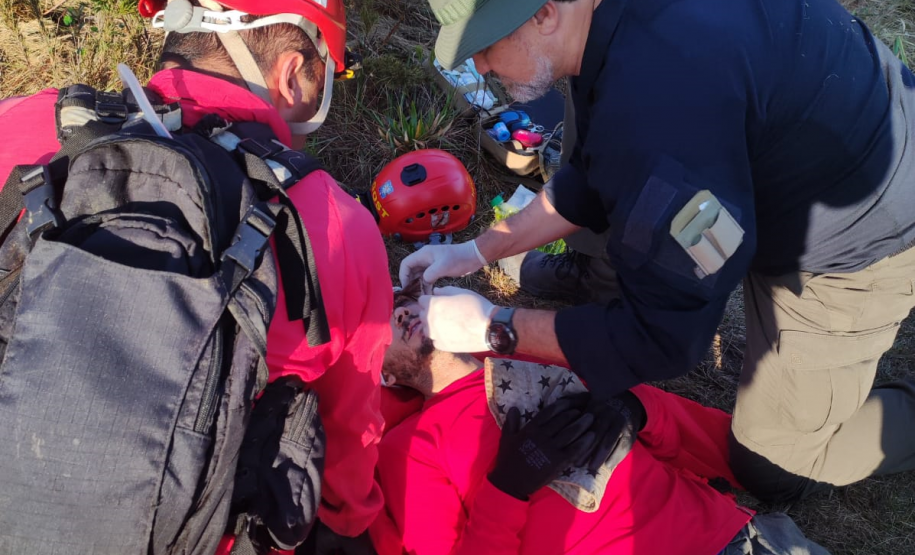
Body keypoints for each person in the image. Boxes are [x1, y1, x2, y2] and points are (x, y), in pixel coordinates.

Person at [401, 0, 915, 503]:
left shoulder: (658, 109)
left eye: (487, 45)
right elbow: (590, 171)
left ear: (544, 13)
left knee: (771, 462)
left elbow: (665, 334)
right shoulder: (605, 25)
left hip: (862, 232)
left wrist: (496, 327)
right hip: (814, 142)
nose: (481, 65)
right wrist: (477, 250)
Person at [0, 0, 389, 551]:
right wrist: (350, 523)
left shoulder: (20, 127)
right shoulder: (335, 224)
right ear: (293, 72)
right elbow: (350, 434)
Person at [367, 286, 831, 555]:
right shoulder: (408, 450)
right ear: (384, 375)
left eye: (403, 299)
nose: (403, 310)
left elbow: (692, 433)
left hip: (728, 537)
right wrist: (507, 487)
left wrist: (634, 408)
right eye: (384, 321)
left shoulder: (530, 344)